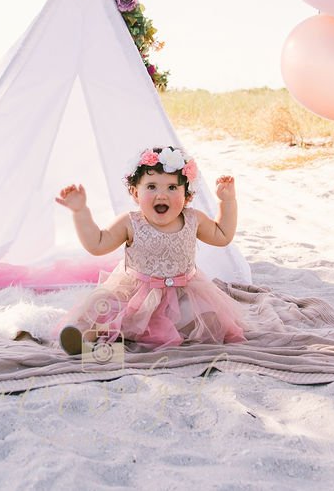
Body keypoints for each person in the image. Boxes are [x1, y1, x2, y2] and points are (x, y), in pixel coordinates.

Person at [55, 145, 248, 356]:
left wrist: (227, 202)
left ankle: (145, 334)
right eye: (152, 187)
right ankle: (83, 338)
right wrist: (81, 212)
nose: (161, 195)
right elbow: (97, 244)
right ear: (135, 193)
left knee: (208, 319)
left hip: (183, 293)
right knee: (104, 311)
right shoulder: (131, 222)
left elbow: (222, 235)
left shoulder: (194, 219)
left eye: (172, 188)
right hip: (134, 293)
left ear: (188, 196)